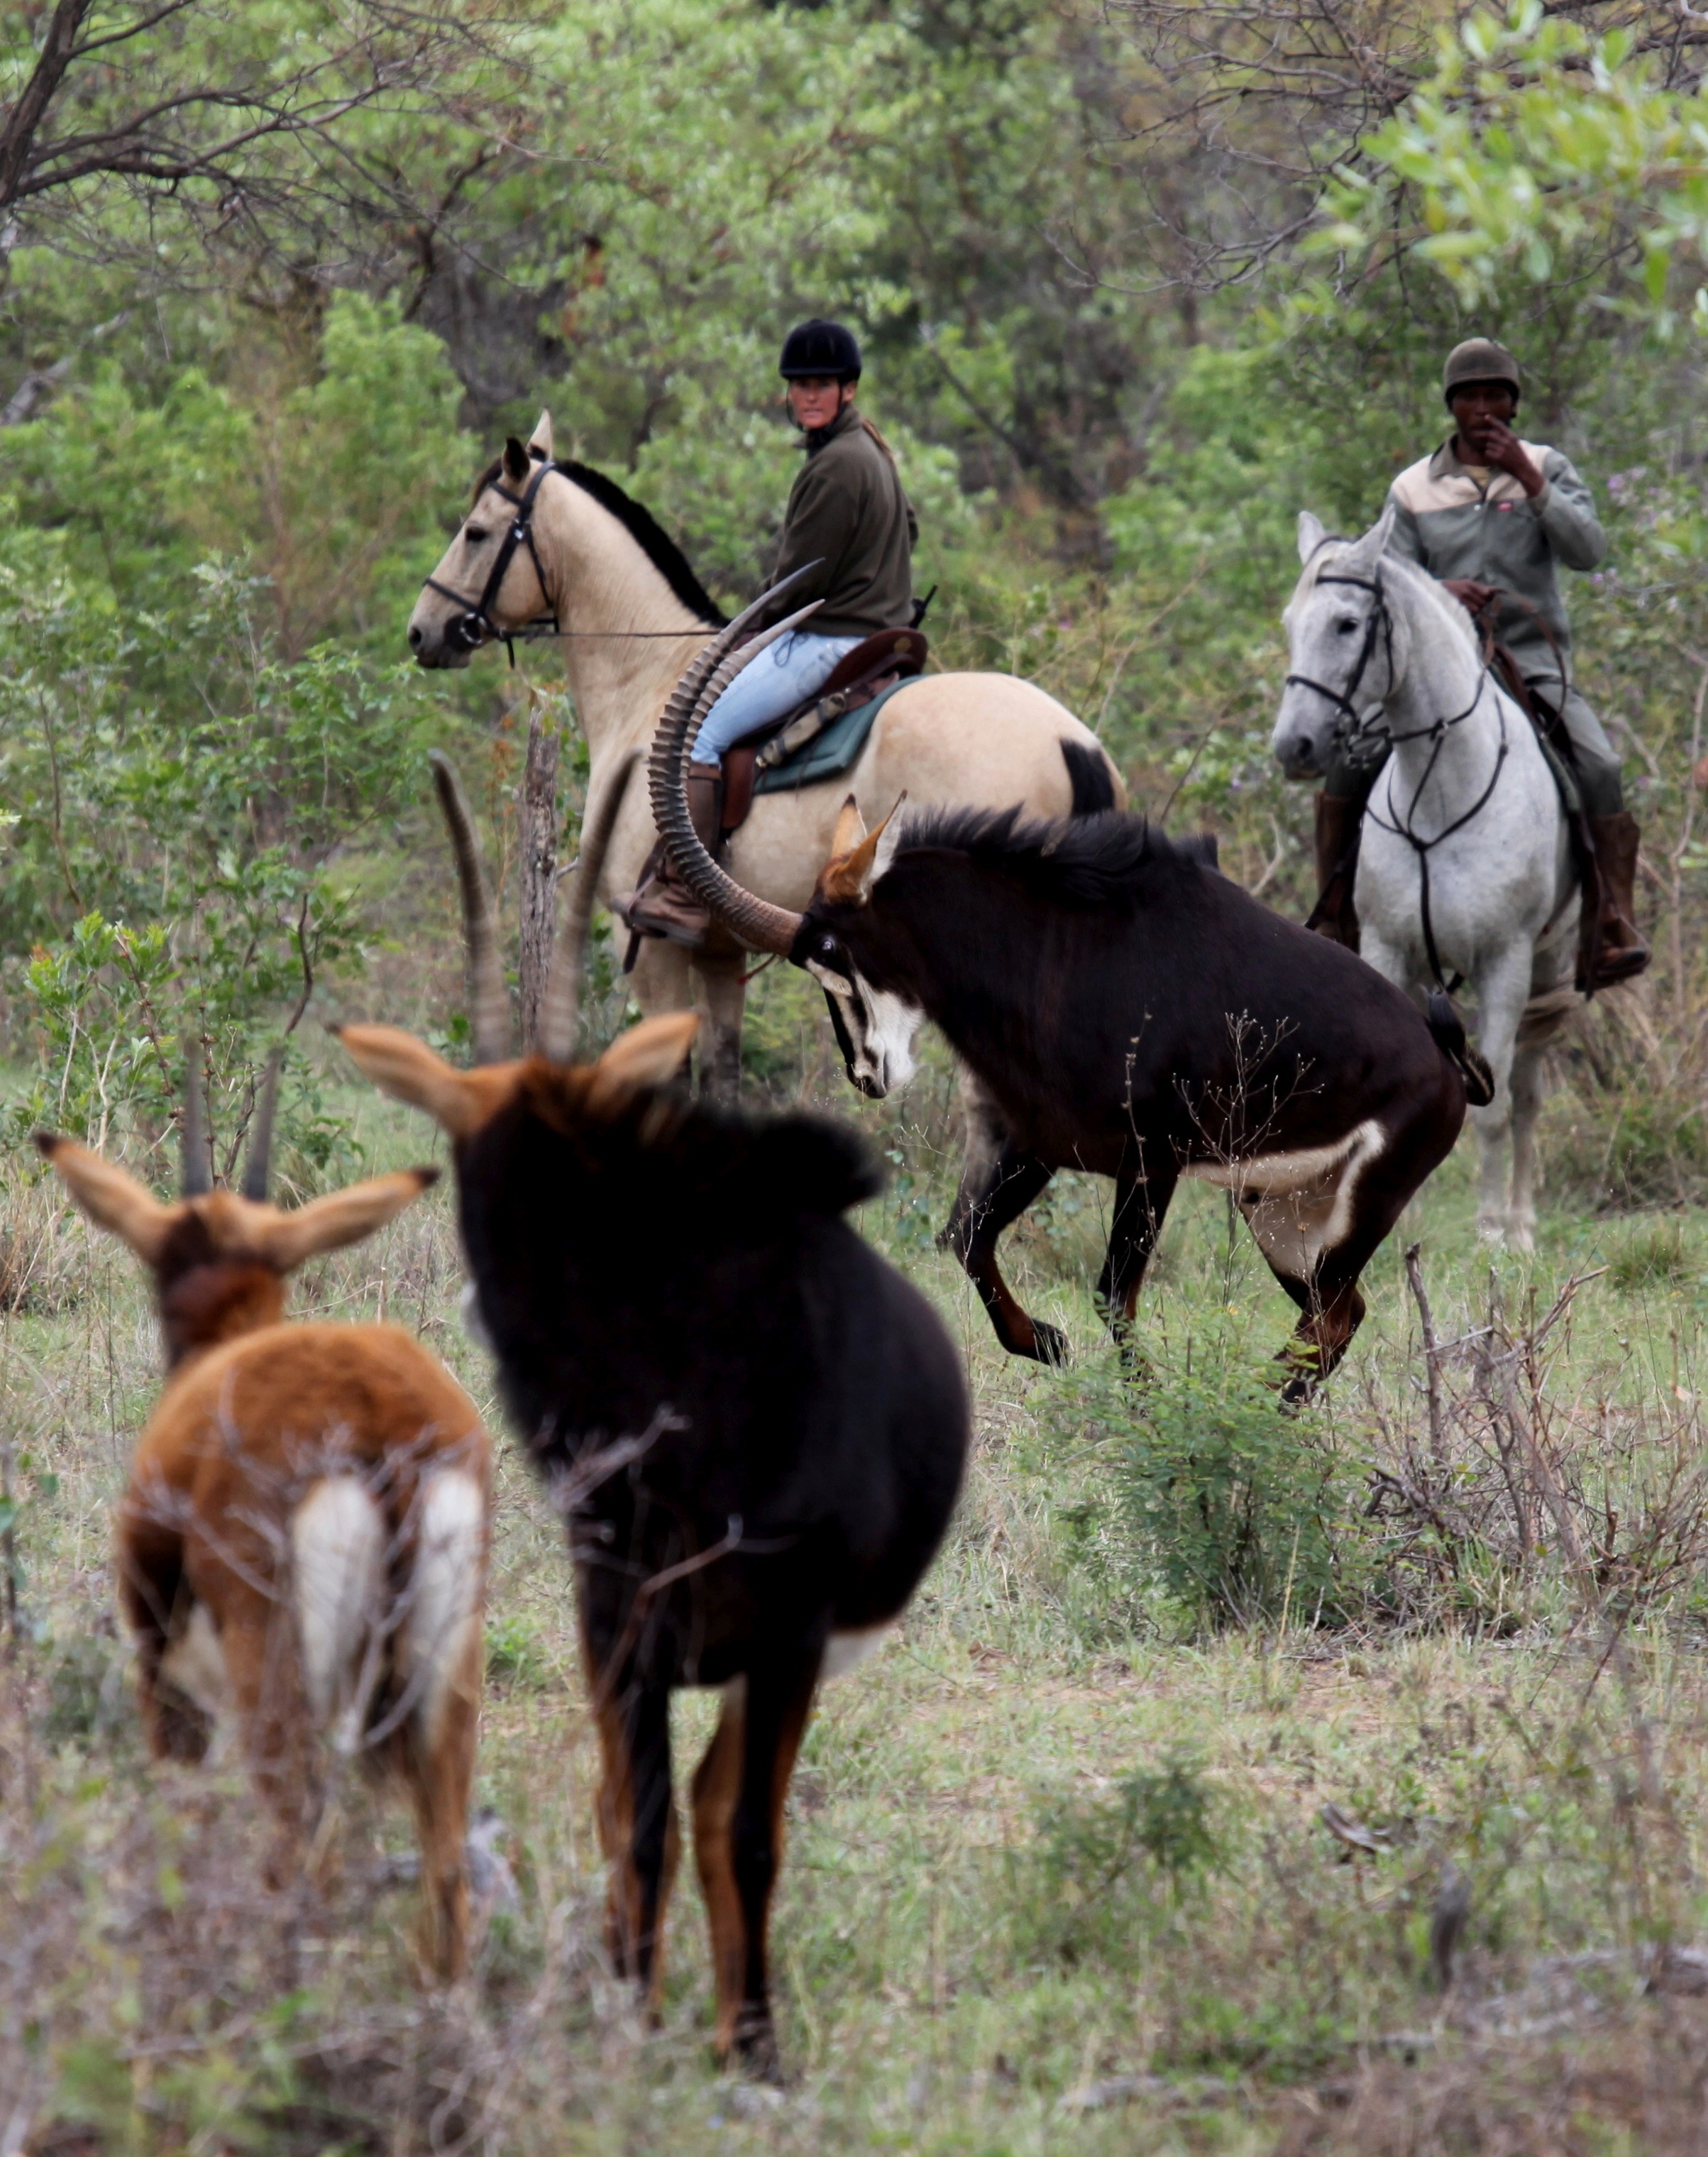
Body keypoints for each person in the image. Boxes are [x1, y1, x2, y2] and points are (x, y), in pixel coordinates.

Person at [1310, 336, 1648, 988]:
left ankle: (1610, 921)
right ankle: (1334, 914)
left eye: (1496, 395)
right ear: (1451, 404)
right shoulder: (1411, 488)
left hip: (1531, 660)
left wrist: (1529, 479)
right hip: (1439, 666)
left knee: (1599, 765)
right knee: (1347, 763)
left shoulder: (1547, 466)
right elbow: (1389, 578)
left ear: (1514, 404)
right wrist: (1440, 592)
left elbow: (1587, 550)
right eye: (1470, 396)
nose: (1483, 407)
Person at [623, 317, 918, 947]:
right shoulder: (872, 451)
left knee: (700, 734)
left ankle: (681, 894)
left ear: (848, 388)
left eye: (822, 384)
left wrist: (739, 632)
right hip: (876, 630)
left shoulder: (836, 466)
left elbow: (800, 584)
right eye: (799, 385)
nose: (808, 395)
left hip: (831, 637)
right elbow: (907, 535)